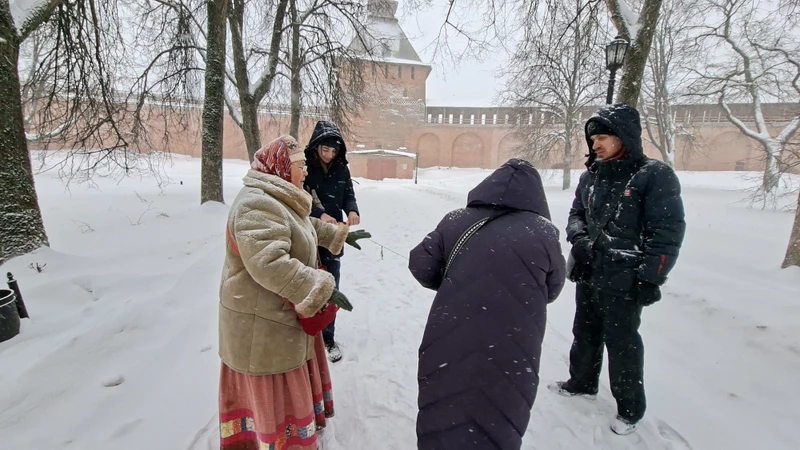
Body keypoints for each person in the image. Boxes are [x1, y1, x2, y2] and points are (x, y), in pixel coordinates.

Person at [218, 135, 369, 450]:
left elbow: (301, 225)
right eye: (300, 166)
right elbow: (269, 263)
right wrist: (319, 288)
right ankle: (273, 440)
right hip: (260, 324)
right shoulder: (255, 204)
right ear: (281, 167)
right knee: (274, 391)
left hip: (275, 316)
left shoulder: (277, 197)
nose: (305, 173)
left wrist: (336, 235)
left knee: (289, 375)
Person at [408, 159, 566, 450]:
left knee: (443, 406)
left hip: (450, 335)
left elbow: (420, 265)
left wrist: (456, 283)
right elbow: (554, 288)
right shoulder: (543, 231)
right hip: (514, 344)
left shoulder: (455, 220)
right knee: (502, 413)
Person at [549, 104, 686, 435]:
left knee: (622, 344)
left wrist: (652, 277)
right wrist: (579, 239)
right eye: (593, 138)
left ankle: (629, 410)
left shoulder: (654, 176)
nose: (595, 144)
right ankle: (581, 383)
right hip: (590, 271)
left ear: (624, 137)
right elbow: (576, 214)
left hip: (626, 278)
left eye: (603, 137)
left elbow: (667, 232)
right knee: (585, 333)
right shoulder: (591, 175)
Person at [303, 120, 361, 362]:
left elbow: (348, 192)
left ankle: (328, 336)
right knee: (306, 281)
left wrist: (352, 210)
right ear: (316, 147)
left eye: (333, 151)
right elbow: (300, 198)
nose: (328, 155)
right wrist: (319, 215)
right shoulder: (305, 168)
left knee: (331, 284)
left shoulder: (341, 168)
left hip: (334, 234)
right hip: (308, 233)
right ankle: (306, 334)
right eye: (324, 149)